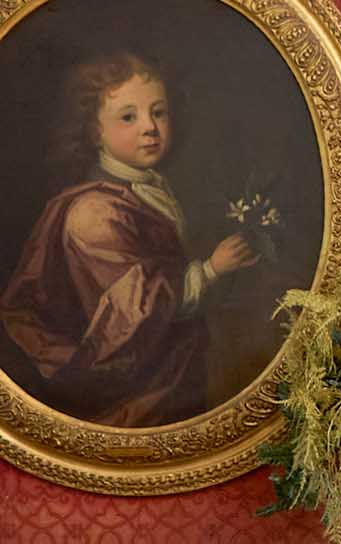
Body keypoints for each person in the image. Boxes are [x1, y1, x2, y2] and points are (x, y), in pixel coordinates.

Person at [0, 53, 255, 426]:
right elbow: (136, 311)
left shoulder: (148, 187)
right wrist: (211, 270)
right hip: (131, 390)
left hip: (171, 370)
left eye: (159, 112)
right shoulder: (95, 213)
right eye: (128, 117)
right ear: (94, 131)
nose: (150, 127)